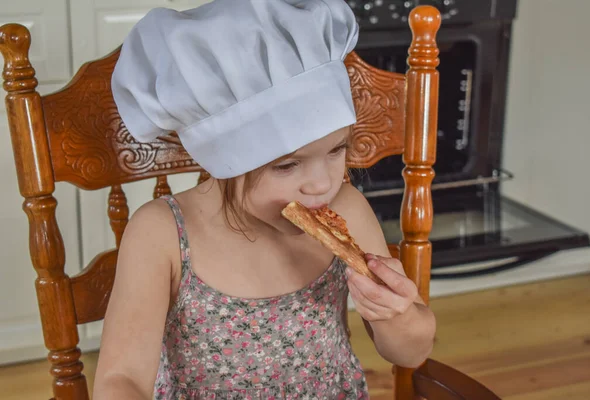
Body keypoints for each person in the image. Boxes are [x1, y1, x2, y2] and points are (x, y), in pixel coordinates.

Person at [93, 0, 436, 398]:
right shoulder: (162, 234)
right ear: (225, 163)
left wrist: (395, 314)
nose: (322, 184)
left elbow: (411, 353)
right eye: (287, 166)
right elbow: (121, 380)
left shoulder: (347, 209)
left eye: (337, 150)